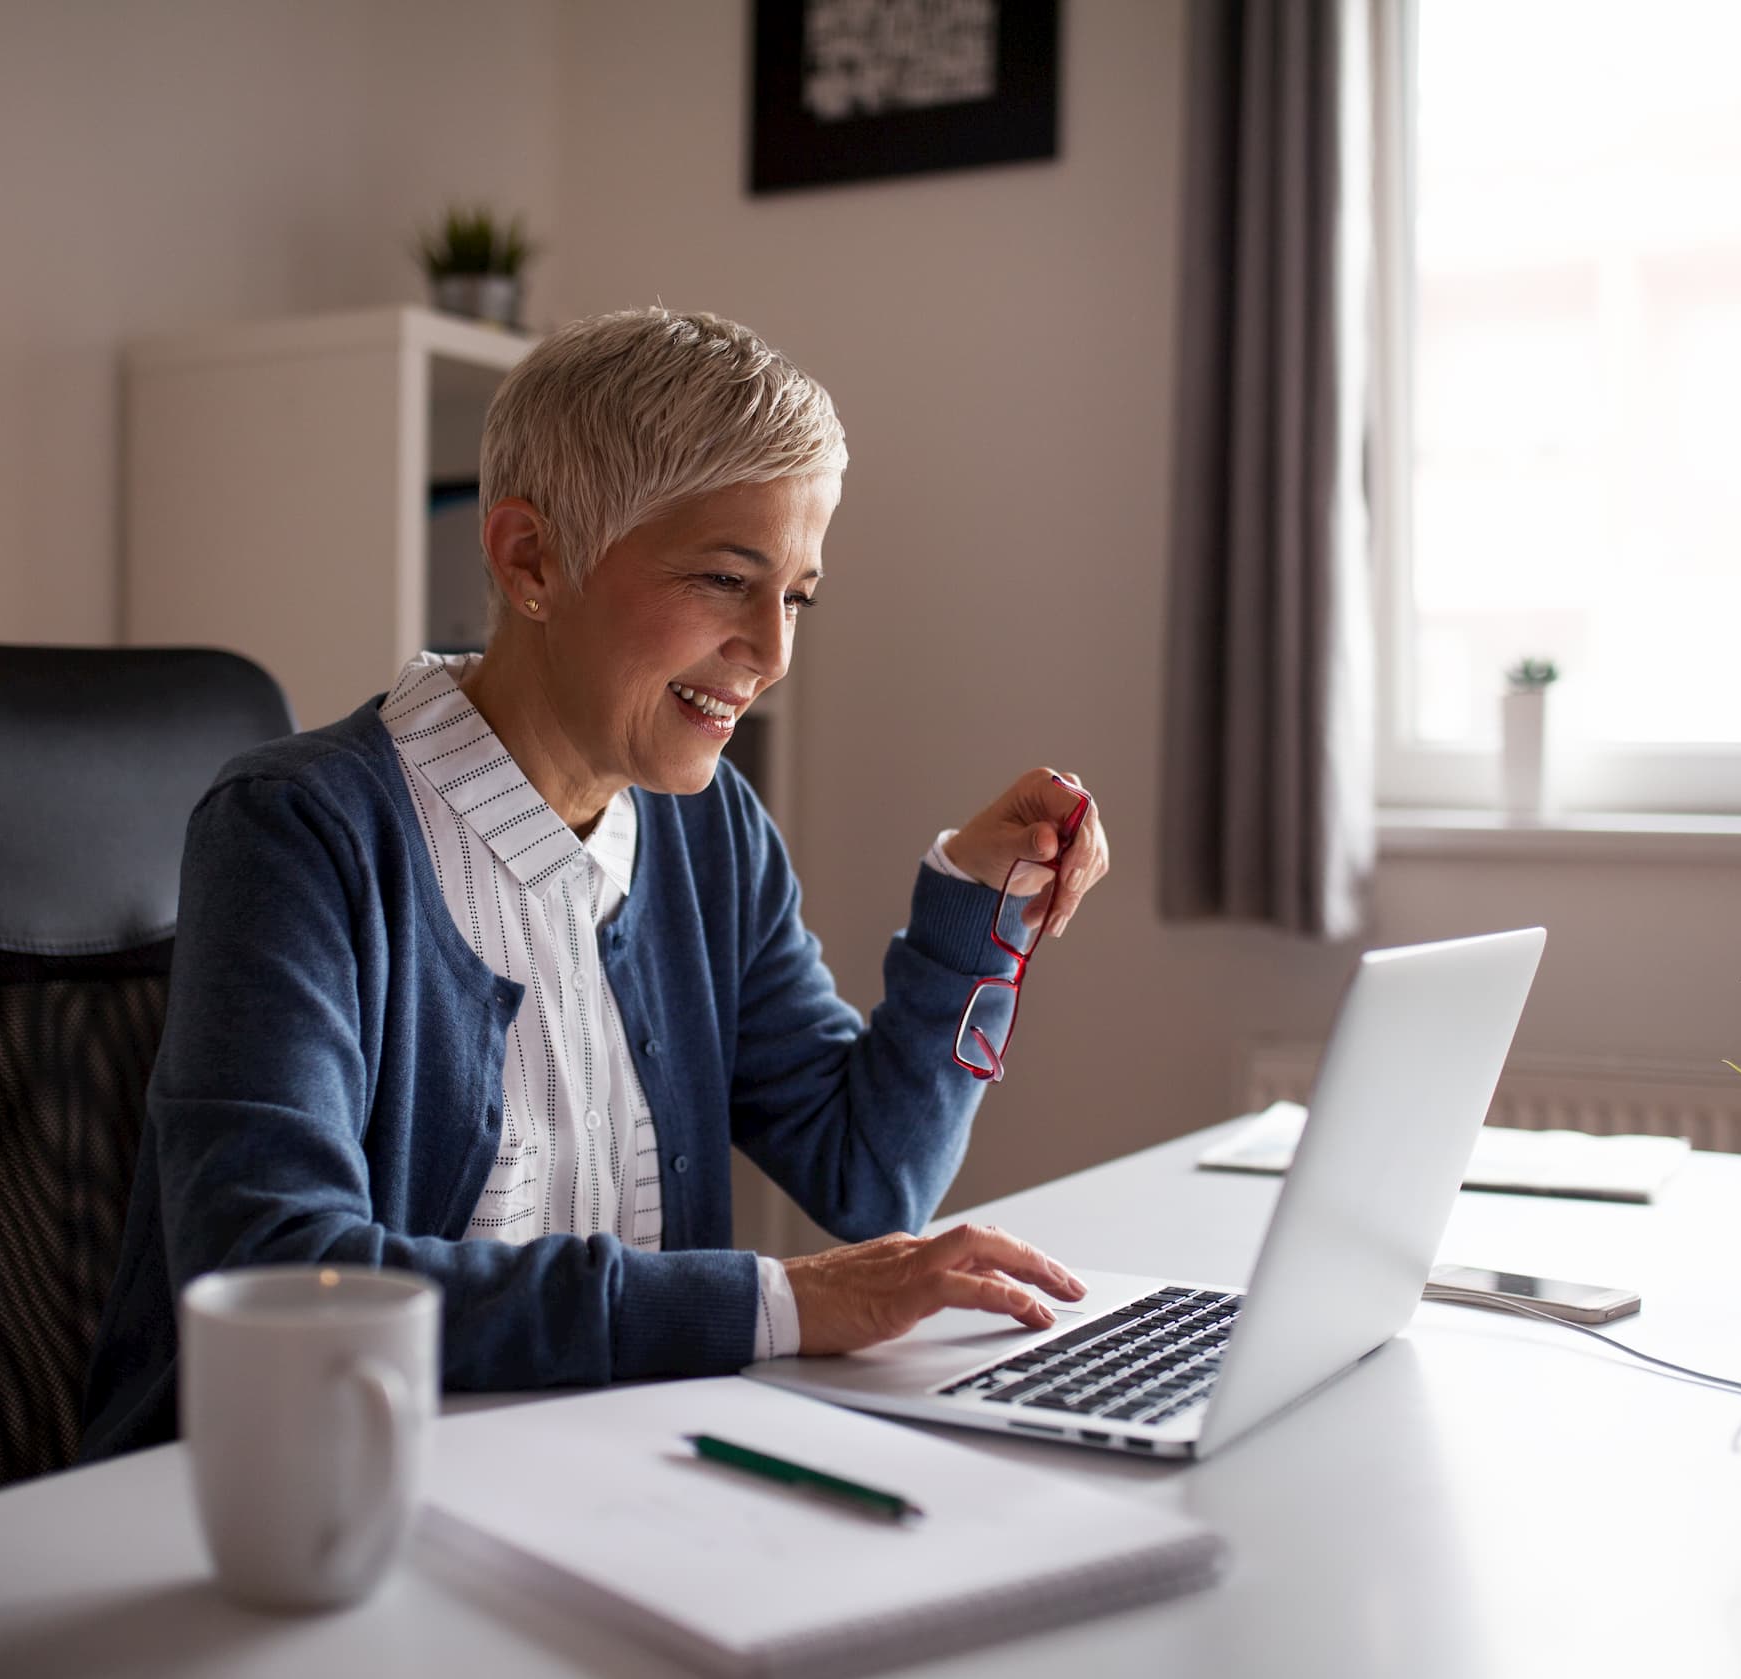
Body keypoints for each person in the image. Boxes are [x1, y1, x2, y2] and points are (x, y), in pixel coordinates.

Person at [80, 307, 1110, 1456]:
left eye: (798, 597)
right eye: (728, 579)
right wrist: (779, 1302)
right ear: (530, 559)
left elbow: (875, 1174)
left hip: (600, 1474)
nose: (771, 653)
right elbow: (277, 1272)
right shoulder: (300, 832)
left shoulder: (709, 829)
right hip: (309, 1494)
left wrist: (980, 902)